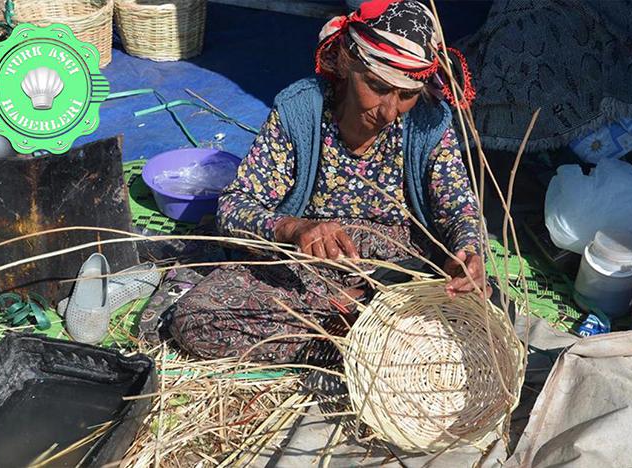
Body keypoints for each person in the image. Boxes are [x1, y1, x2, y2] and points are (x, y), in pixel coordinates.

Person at [170, 0, 486, 362]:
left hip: (399, 273)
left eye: (407, 95)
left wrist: (468, 253)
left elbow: (460, 209)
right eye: (378, 87)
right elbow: (233, 206)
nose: (389, 111)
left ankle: (365, 337)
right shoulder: (302, 111)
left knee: (475, 322)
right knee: (197, 320)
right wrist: (292, 227)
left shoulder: (428, 123)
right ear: (348, 63)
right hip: (308, 267)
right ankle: (357, 348)